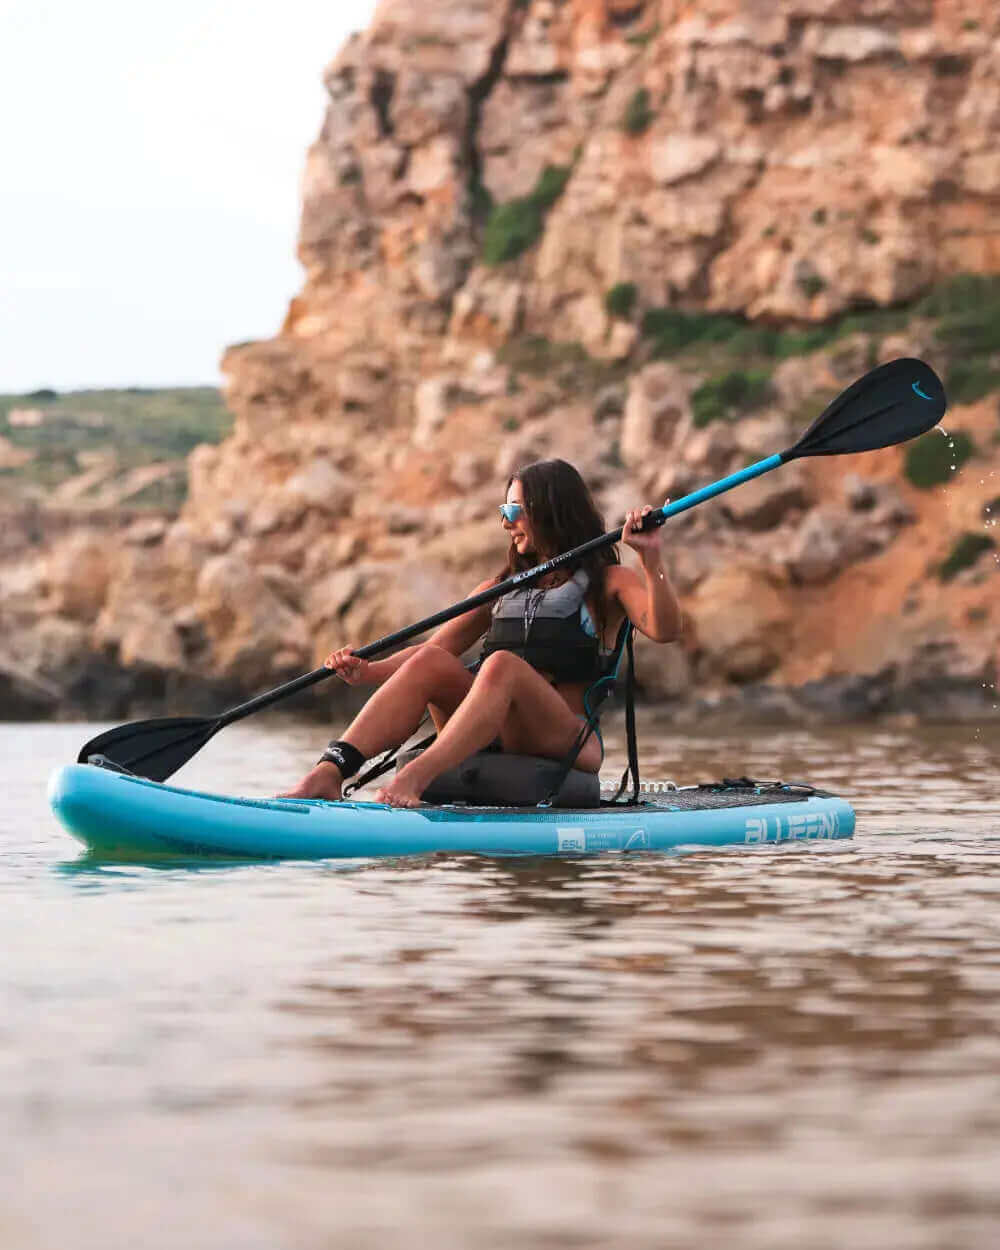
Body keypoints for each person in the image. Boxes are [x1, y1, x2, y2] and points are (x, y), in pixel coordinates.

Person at [280, 458, 682, 808]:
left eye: (516, 509)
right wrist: (366, 670)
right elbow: (432, 652)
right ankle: (330, 772)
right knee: (433, 661)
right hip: (495, 734)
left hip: (565, 740)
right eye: (504, 509)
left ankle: (415, 777)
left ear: (552, 511)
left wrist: (651, 559)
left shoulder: (609, 580)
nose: (507, 522)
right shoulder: (501, 586)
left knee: (501, 665)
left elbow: (665, 630)